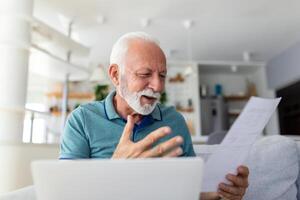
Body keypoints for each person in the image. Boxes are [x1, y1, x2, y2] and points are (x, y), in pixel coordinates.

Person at [60, 32, 249, 200]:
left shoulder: (174, 120)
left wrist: (222, 195)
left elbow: (190, 190)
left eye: (163, 75)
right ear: (116, 75)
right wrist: (115, 170)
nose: (158, 86)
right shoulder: (82, 120)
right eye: (145, 74)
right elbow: (64, 192)